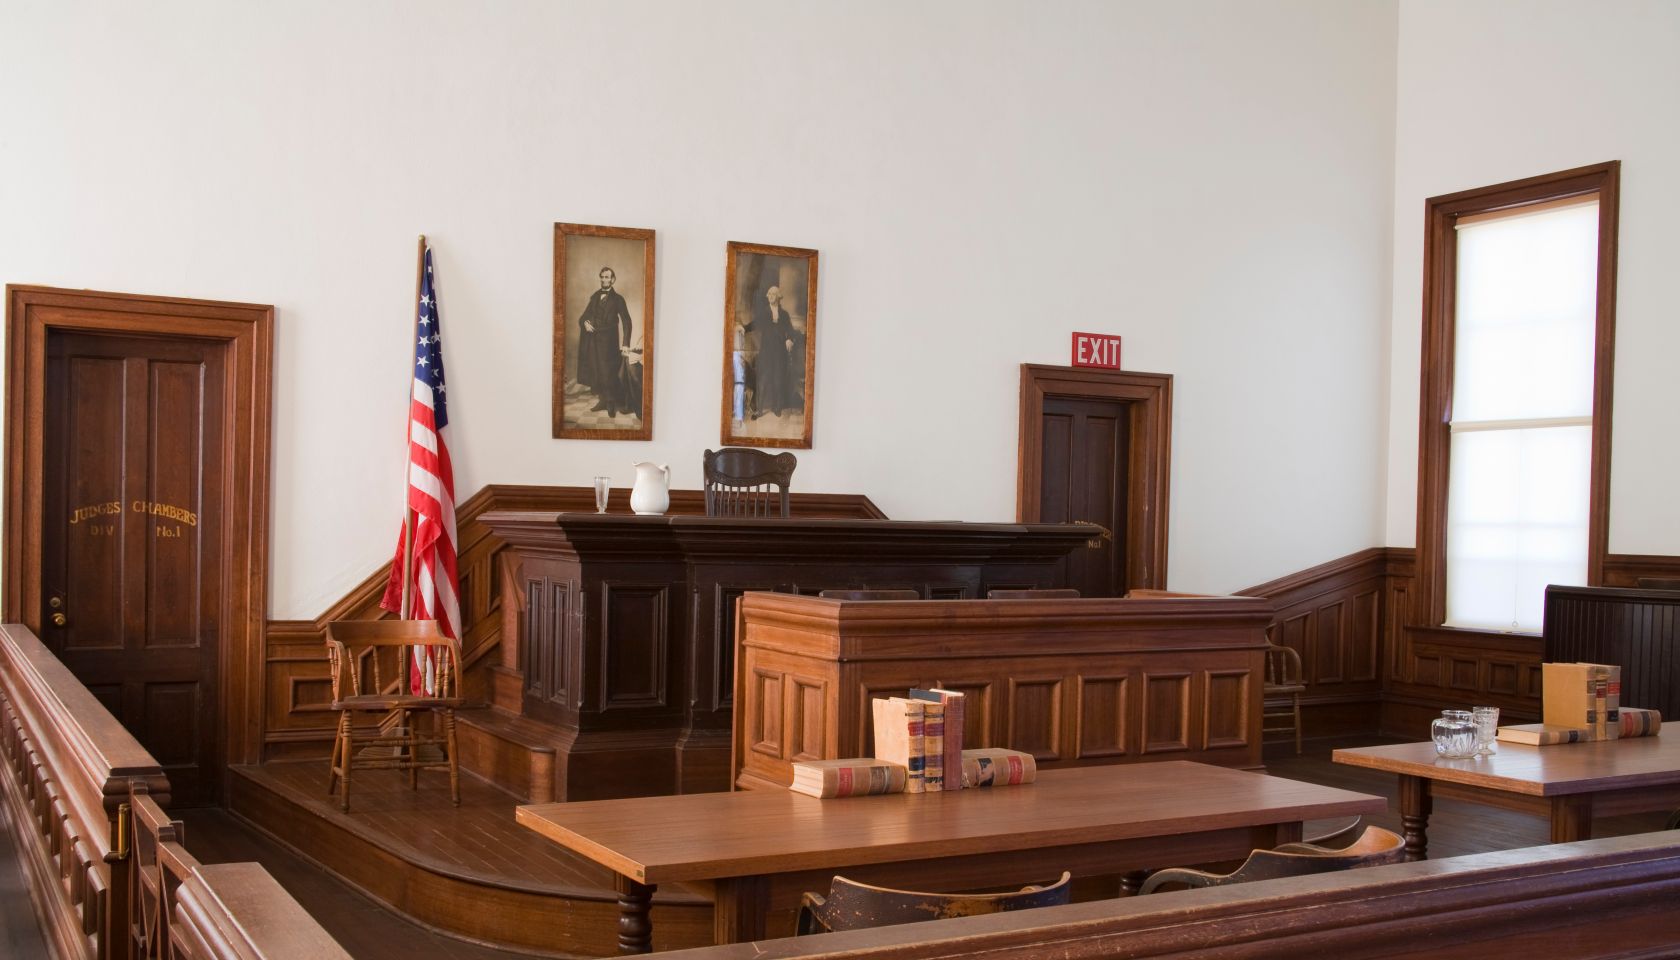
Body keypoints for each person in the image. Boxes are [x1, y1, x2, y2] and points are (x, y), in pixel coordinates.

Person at [575, 267, 632, 415]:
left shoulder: (618, 299)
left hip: (609, 343)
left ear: (613, 280)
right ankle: (602, 400)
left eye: (607, 277)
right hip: (593, 342)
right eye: (602, 277)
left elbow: (627, 321)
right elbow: (583, 317)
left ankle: (611, 402)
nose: (604, 280)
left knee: (609, 372)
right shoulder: (594, 297)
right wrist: (585, 323)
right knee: (597, 371)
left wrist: (626, 343)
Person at [740, 285, 803, 418]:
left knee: (777, 379)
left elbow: (790, 330)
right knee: (762, 379)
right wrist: (744, 328)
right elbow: (755, 323)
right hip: (766, 351)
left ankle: (777, 407)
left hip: (780, 352)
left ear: (778, 297)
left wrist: (790, 339)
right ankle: (759, 409)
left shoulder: (784, 315)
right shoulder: (764, 313)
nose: (770, 296)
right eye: (768, 294)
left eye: (773, 294)